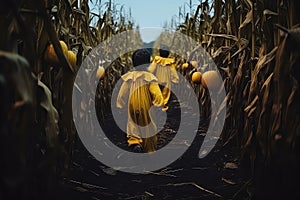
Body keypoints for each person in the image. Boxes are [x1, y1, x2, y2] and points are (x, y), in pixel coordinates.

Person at [116, 49, 164, 153]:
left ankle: (135, 142)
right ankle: (149, 150)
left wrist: (120, 106)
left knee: (132, 125)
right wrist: (158, 105)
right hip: (147, 108)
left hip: (132, 106)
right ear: (148, 63)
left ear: (133, 63)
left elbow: (122, 95)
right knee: (148, 128)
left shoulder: (129, 78)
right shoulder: (150, 78)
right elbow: (157, 95)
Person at [148, 45, 179, 111]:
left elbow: (151, 70)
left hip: (157, 80)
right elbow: (173, 72)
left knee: (157, 94)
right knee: (165, 95)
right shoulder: (170, 62)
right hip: (166, 81)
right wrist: (175, 80)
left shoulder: (157, 60)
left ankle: (157, 107)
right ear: (168, 53)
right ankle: (164, 107)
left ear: (159, 52)